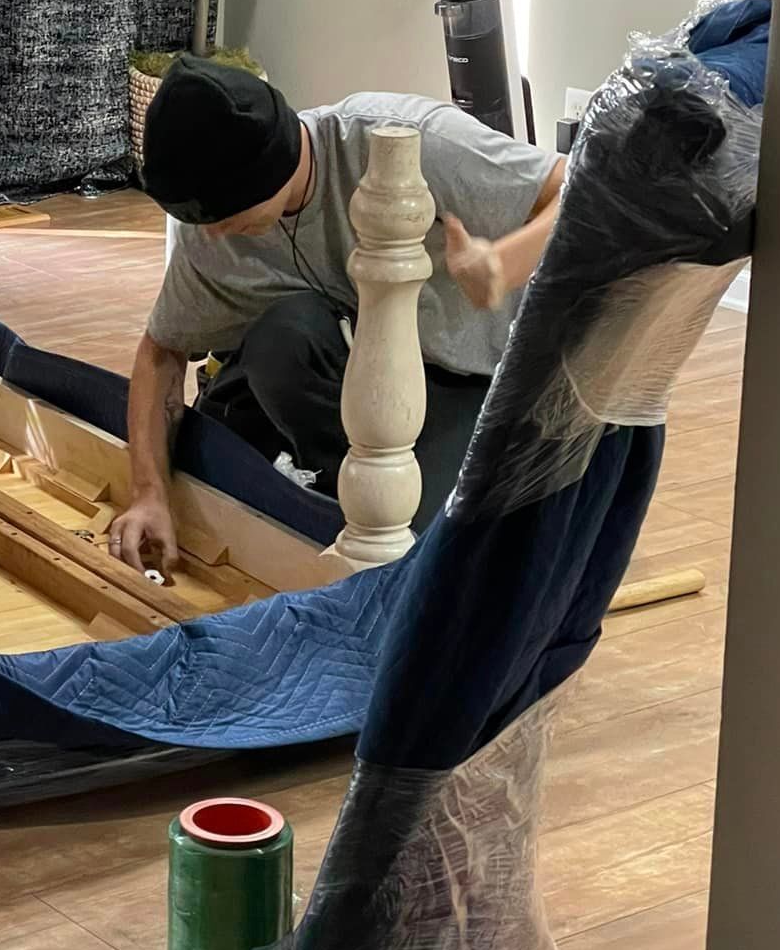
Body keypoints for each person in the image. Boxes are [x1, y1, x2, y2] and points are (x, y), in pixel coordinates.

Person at [109, 56, 565, 574]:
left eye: (220, 216)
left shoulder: (409, 141)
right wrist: (149, 494)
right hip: (365, 363)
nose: (211, 234)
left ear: (265, 169)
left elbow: (577, 187)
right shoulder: (214, 232)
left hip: (477, 379)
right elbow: (161, 351)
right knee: (280, 340)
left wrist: (504, 265)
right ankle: (335, 483)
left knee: (413, 544)